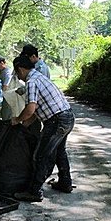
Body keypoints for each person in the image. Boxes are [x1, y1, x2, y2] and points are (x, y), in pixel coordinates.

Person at [10, 55, 75, 201]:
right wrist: (25, 123)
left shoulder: (31, 82)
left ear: (20, 69)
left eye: (17, 73)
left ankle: (35, 191)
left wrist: (17, 120)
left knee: (41, 155)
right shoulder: (40, 77)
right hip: (67, 117)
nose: (19, 77)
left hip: (56, 121)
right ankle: (65, 183)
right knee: (59, 152)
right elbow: (37, 108)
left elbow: (30, 108)